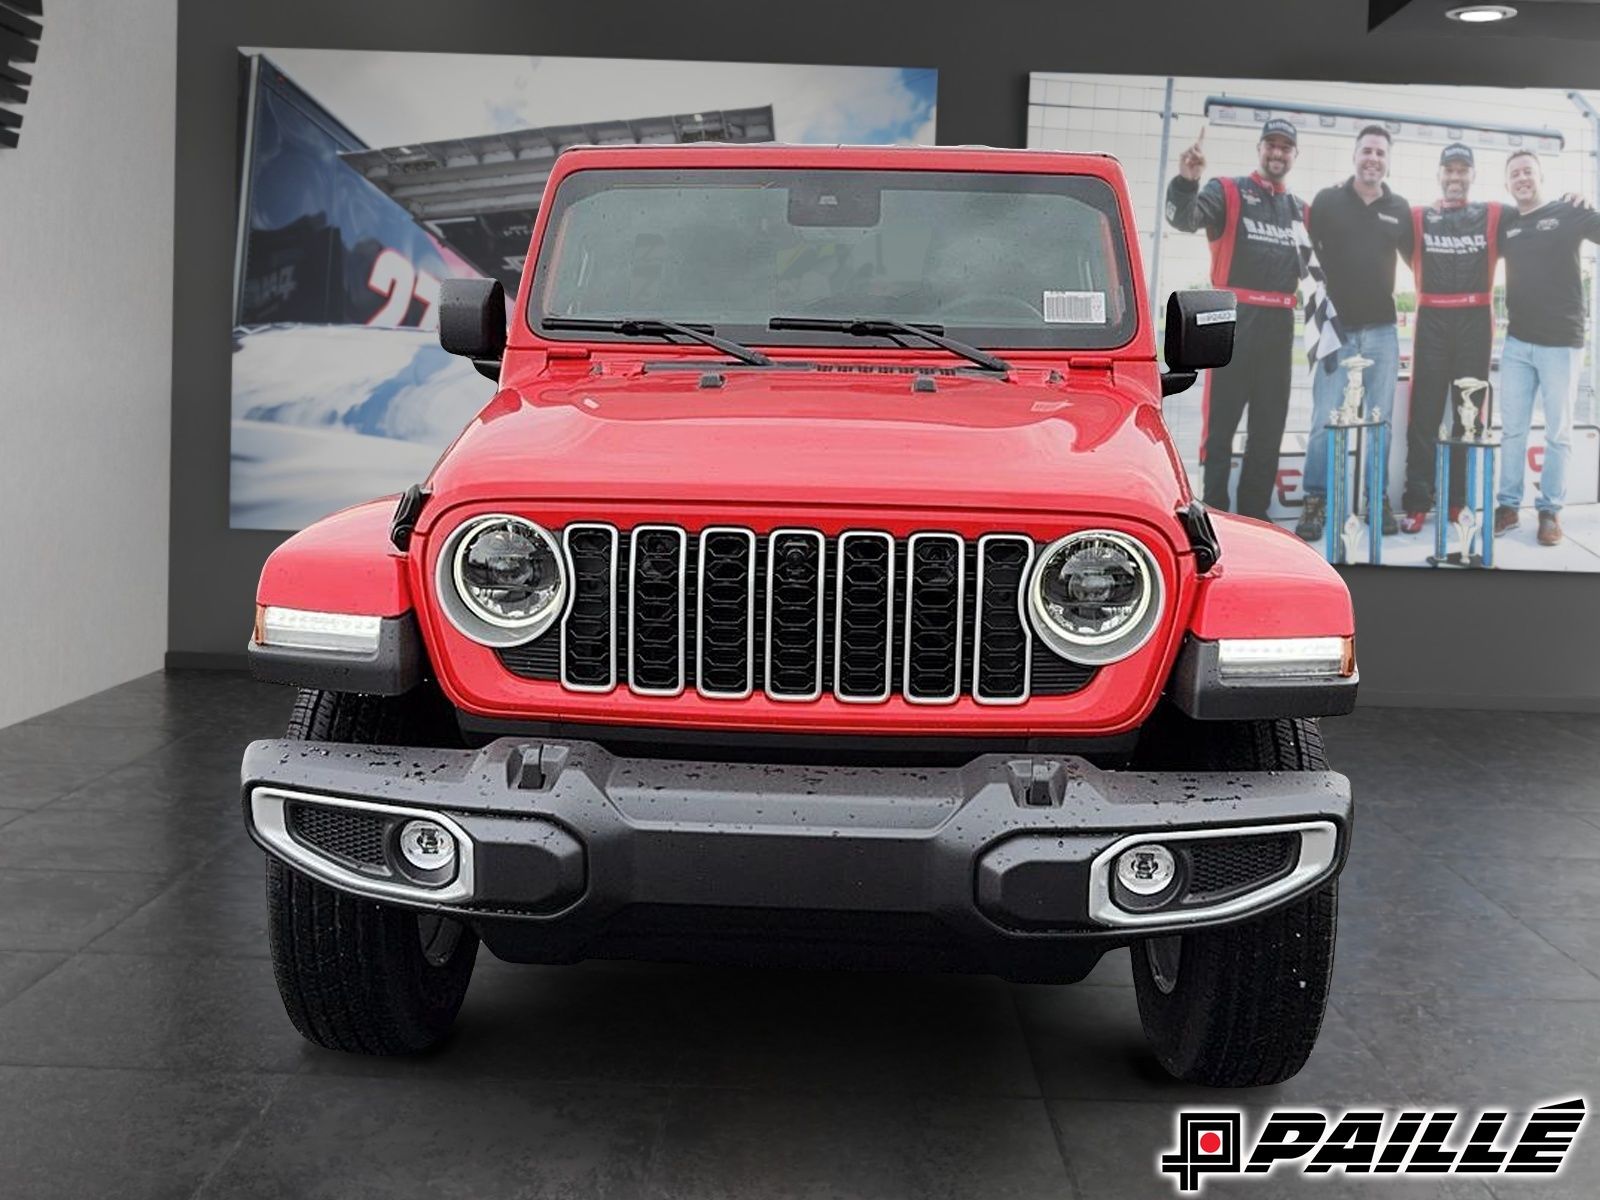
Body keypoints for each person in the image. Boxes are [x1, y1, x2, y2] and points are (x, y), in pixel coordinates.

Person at [1166, 119, 1305, 520]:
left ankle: (1256, 517)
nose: (1278, 153)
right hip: (1234, 324)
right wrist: (1187, 182)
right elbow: (1184, 218)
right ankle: (1215, 514)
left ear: (1294, 155)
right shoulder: (1227, 190)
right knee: (1220, 429)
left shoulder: (1299, 209)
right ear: (1260, 148)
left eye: (1286, 147)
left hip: (1280, 327)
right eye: (1271, 145)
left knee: (1268, 431)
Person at [1297, 126, 1412, 542]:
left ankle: (1375, 500)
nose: (1373, 158)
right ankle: (1316, 499)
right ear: (1355, 154)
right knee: (1325, 420)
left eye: (1381, 152)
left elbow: (1422, 263)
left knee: (1378, 422)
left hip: (1382, 331)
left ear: (1387, 159)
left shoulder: (1400, 209)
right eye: (1367, 150)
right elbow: (1302, 254)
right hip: (1335, 329)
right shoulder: (1328, 201)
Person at [1495, 149, 1600, 546]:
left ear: (1540, 177)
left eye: (1528, 172)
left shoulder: (1569, 211)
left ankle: (1550, 511)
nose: (1522, 178)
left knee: (1559, 432)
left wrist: (1586, 199)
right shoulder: (1506, 224)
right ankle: (1507, 506)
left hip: (1561, 343)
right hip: (1518, 342)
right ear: (1507, 183)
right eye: (1515, 174)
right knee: (1513, 432)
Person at [1397, 143, 1502, 534]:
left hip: (1476, 323)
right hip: (1431, 320)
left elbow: (1532, 218)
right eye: (1449, 171)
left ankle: (1458, 501)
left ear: (1473, 175)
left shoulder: (1493, 214)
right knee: (1423, 416)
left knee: (1467, 418)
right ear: (1439, 174)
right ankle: (1417, 501)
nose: (1456, 178)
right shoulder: (1417, 216)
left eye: (1463, 171)